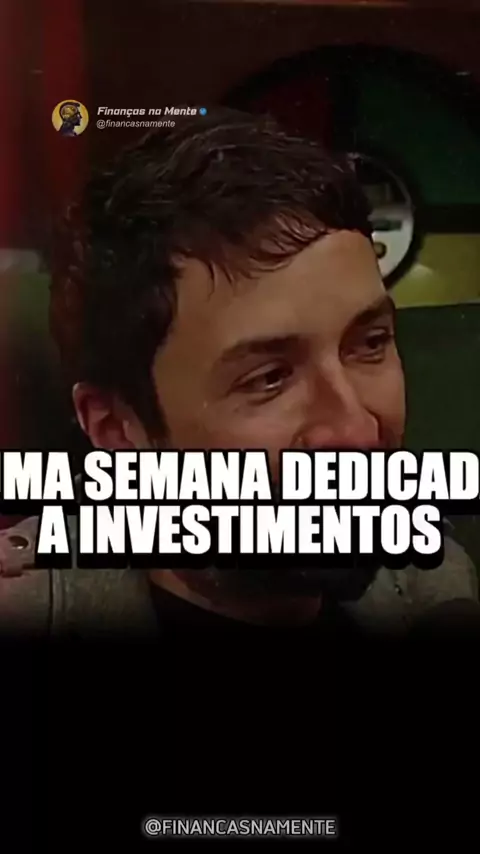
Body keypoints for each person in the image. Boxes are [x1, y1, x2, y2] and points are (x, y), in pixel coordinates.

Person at [0, 108, 478, 638]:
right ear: (117, 429)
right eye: (269, 378)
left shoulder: (434, 586)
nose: (357, 431)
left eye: (369, 344)